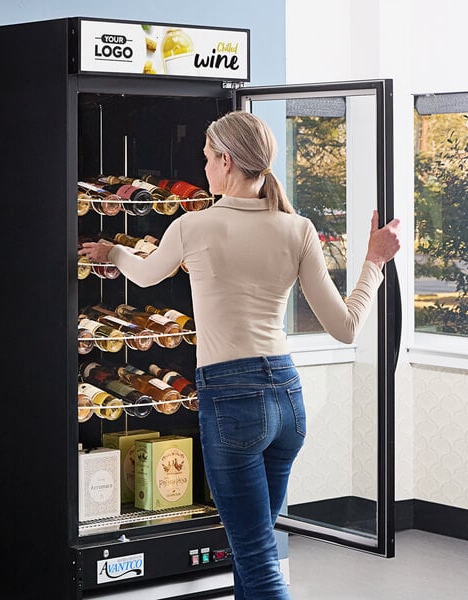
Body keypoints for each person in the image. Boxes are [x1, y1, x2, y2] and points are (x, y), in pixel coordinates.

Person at [79, 111, 400, 600]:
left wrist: (112, 252)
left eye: (207, 159)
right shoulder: (299, 229)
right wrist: (374, 262)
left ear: (226, 162)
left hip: (232, 402)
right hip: (288, 403)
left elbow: (144, 277)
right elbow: (346, 325)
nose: (203, 167)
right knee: (256, 555)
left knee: (256, 558)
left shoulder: (194, 226)